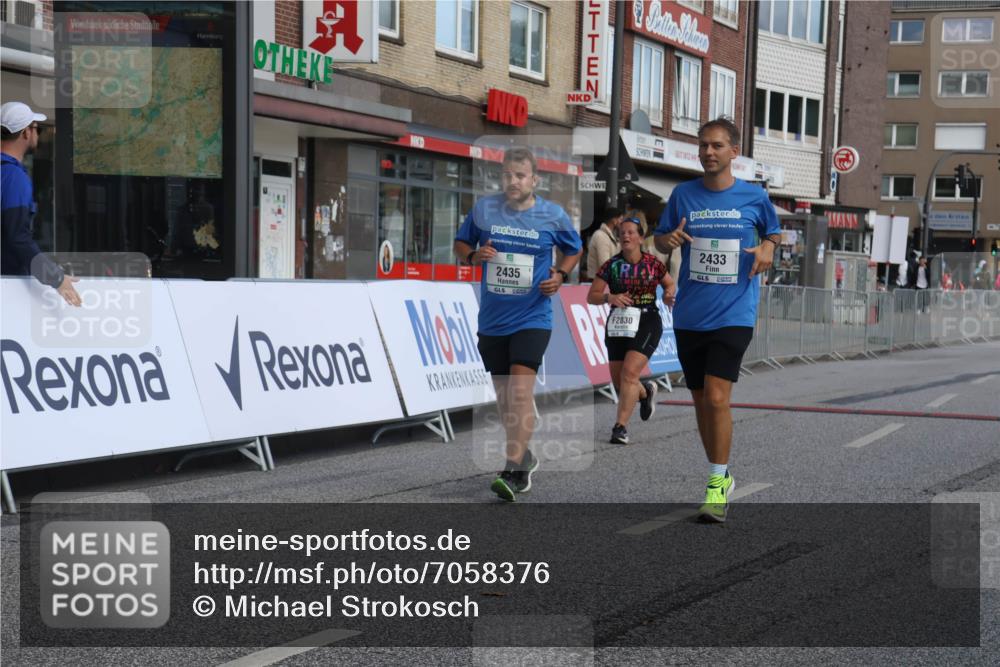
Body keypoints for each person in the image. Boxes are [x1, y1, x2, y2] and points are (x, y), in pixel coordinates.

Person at [653, 117, 780, 523]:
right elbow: (659, 237)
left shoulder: (753, 197)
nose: (709, 152)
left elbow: (775, 234)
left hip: (734, 312)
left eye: (718, 146)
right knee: (699, 400)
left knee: (717, 397)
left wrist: (767, 248)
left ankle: (714, 482)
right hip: (691, 313)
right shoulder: (683, 194)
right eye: (704, 145)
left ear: (734, 152)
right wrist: (667, 240)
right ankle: (721, 474)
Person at [454, 146, 583, 502]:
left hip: (533, 316)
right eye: (508, 174)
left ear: (534, 179)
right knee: (504, 398)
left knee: (520, 391)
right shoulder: (484, 210)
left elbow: (574, 249)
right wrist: (472, 255)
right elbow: (461, 243)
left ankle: (513, 471)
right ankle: (524, 453)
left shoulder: (552, 215)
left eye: (520, 175)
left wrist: (560, 274)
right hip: (493, 319)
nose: (513, 181)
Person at [587, 216, 676, 444]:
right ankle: (645, 392)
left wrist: (668, 295)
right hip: (618, 323)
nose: (625, 236)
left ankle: (620, 428)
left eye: (630, 232)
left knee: (629, 374)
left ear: (640, 237)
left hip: (647, 321)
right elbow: (592, 296)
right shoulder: (611, 265)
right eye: (622, 232)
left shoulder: (653, 264)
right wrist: (610, 297)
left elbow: (669, 283)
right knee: (620, 382)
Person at [1, 102, 80, 306]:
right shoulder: (13, 178)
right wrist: (57, 278)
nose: (37, 134)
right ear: (25, 133)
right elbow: (17, 236)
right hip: (8, 285)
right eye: (36, 128)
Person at [586, 207, 622, 280]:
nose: (622, 222)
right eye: (620, 219)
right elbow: (604, 264)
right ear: (614, 220)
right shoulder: (601, 236)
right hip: (598, 282)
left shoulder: (610, 236)